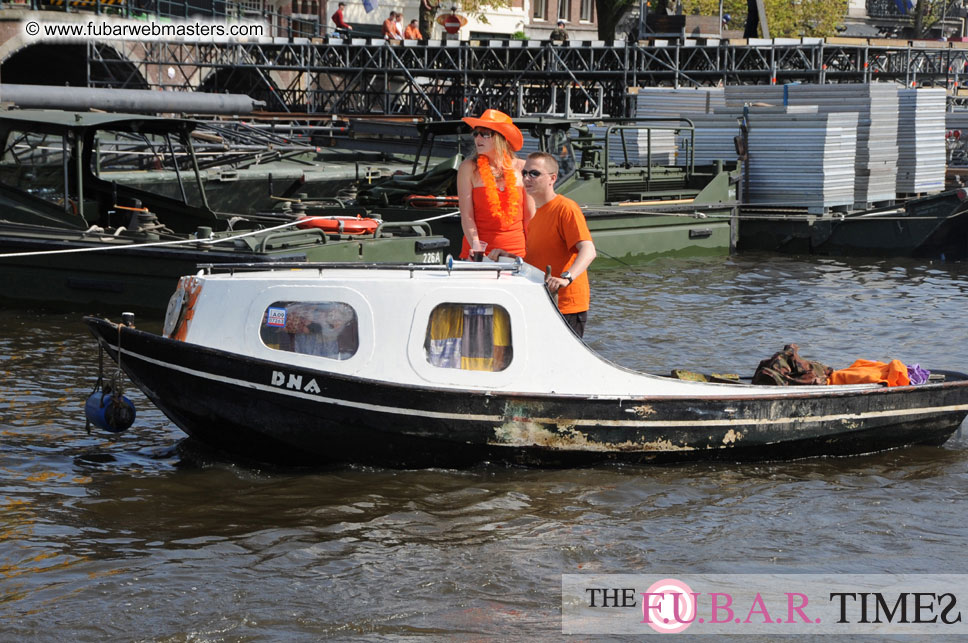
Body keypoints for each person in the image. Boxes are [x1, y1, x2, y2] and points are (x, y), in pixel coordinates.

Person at [490, 152, 596, 338]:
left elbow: (588, 250)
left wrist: (566, 278)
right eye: (524, 173)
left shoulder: (566, 208)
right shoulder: (537, 216)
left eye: (534, 173)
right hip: (544, 302)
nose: (526, 178)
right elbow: (538, 258)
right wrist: (509, 256)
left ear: (552, 178)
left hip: (566, 306)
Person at [456, 109, 534, 261]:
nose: (478, 138)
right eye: (475, 133)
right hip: (478, 253)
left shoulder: (522, 168)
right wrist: (477, 248)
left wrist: (533, 252)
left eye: (485, 134)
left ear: (501, 138)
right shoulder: (468, 168)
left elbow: (529, 217)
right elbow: (467, 216)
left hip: (516, 252)